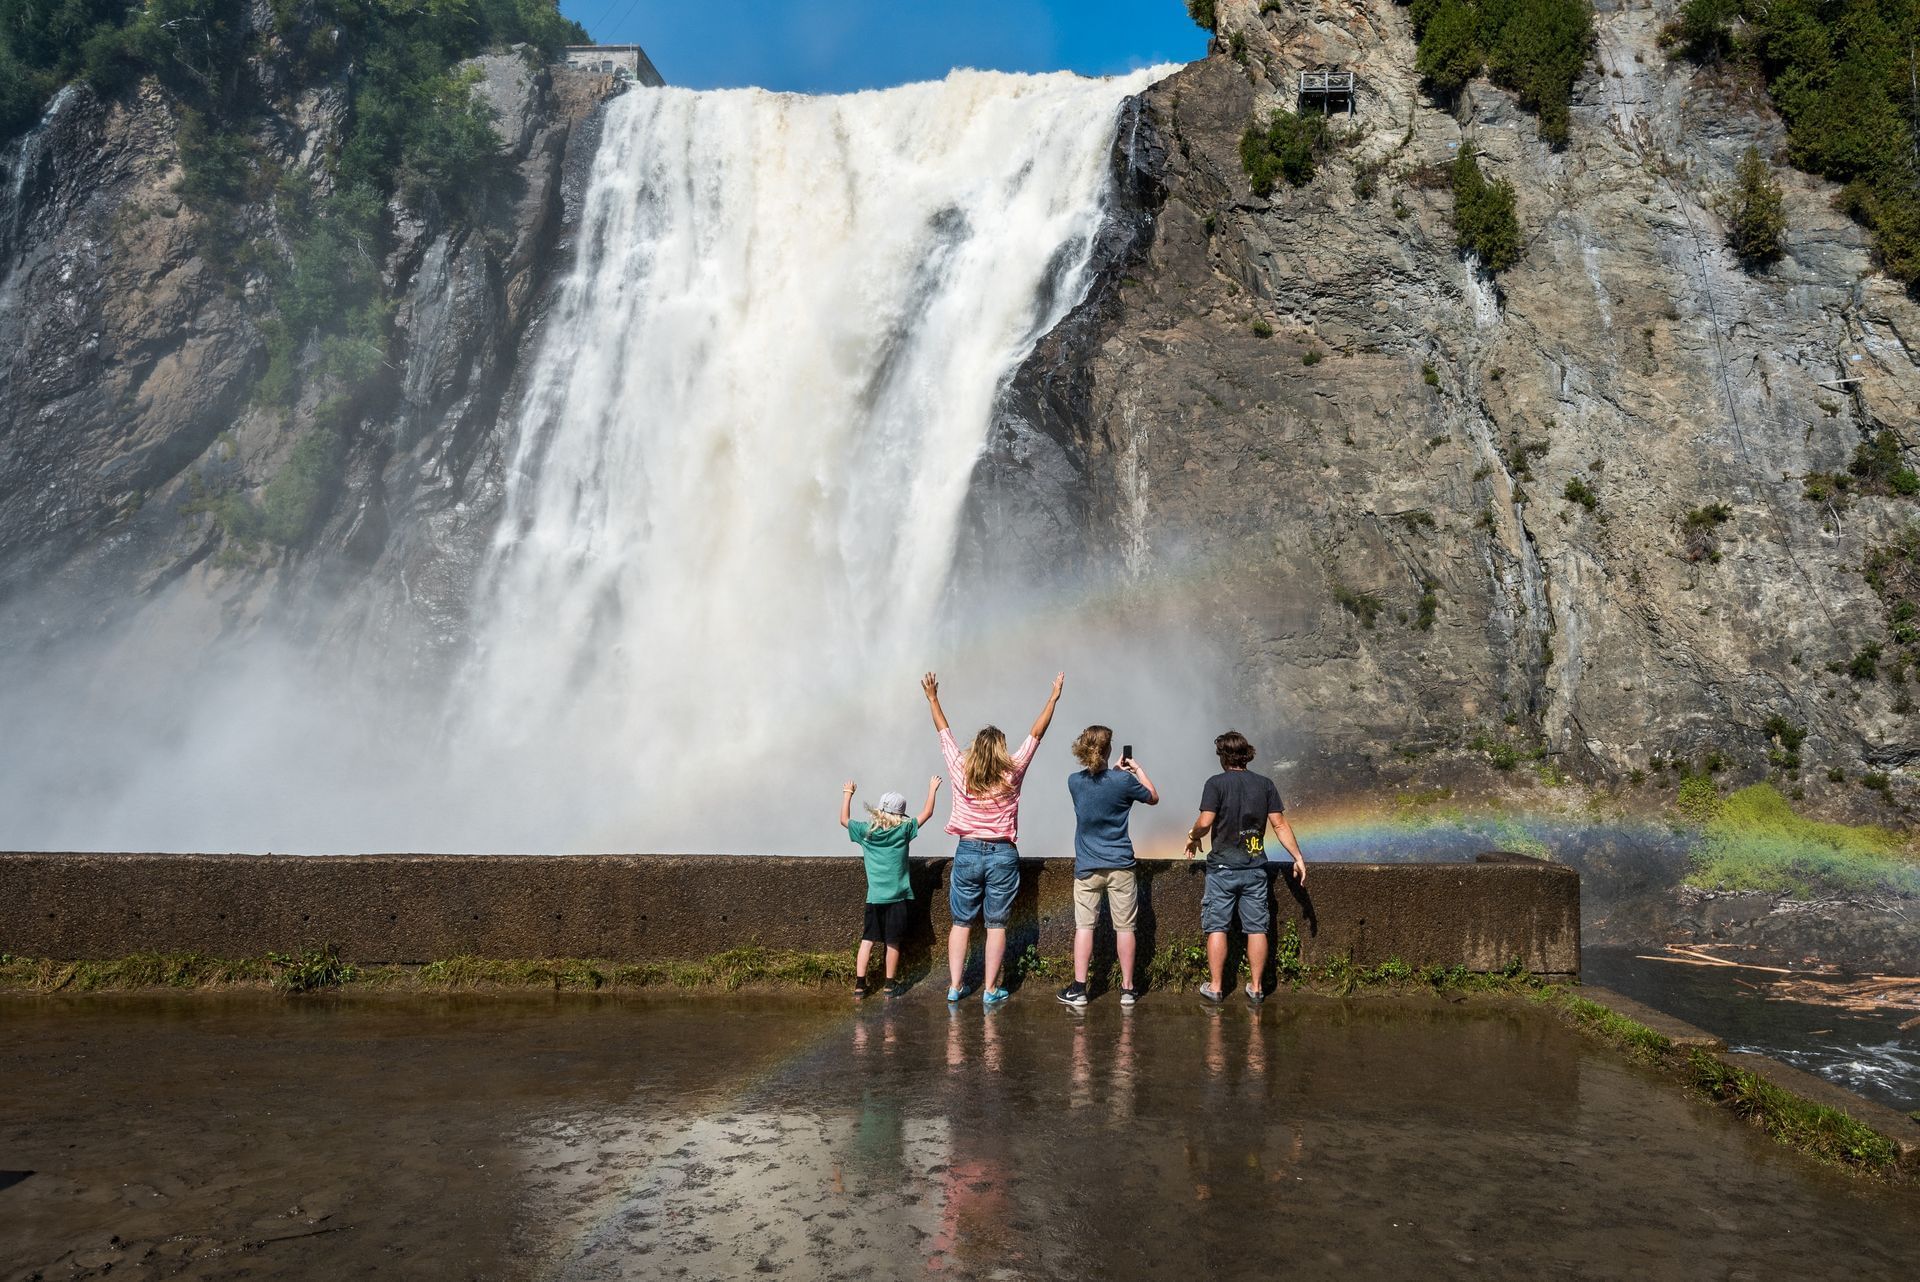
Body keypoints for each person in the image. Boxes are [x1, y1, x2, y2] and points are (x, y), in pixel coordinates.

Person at [921, 670, 1064, 1005]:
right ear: (1000, 750)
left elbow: (944, 733)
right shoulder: (1013, 772)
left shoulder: (960, 769)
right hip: (1002, 854)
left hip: (967, 851)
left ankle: (955, 986)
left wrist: (933, 698)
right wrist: (1053, 698)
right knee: (997, 924)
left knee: (961, 922)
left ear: (976, 750)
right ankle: (990, 990)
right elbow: (1035, 735)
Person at [1182, 730, 1306, 1007]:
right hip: (1255, 868)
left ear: (1223, 756)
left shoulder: (1215, 784)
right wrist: (1297, 857)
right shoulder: (1264, 784)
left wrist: (1193, 836)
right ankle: (1257, 987)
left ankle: (1215, 987)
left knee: (1217, 927)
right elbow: (1280, 825)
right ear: (1246, 754)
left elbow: (1206, 820)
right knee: (1257, 928)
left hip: (1223, 867)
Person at [1057, 725, 1157, 1008]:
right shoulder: (1123, 781)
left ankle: (1079, 989)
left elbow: (1097, 787)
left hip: (1087, 867)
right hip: (1121, 866)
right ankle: (1127, 989)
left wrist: (1112, 773)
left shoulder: (1073, 781)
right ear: (1109, 749)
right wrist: (1134, 770)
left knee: (1084, 927)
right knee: (1125, 928)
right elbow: (1153, 796)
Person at [841, 776, 940, 999]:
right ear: (900, 814)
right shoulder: (903, 831)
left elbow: (844, 819)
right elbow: (927, 813)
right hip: (897, 897)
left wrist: (848, 793)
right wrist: (932, 788)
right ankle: (889, 985)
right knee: (892, 942)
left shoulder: (866, 832)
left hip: (874, 898)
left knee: (867, 940)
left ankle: (859, 986)